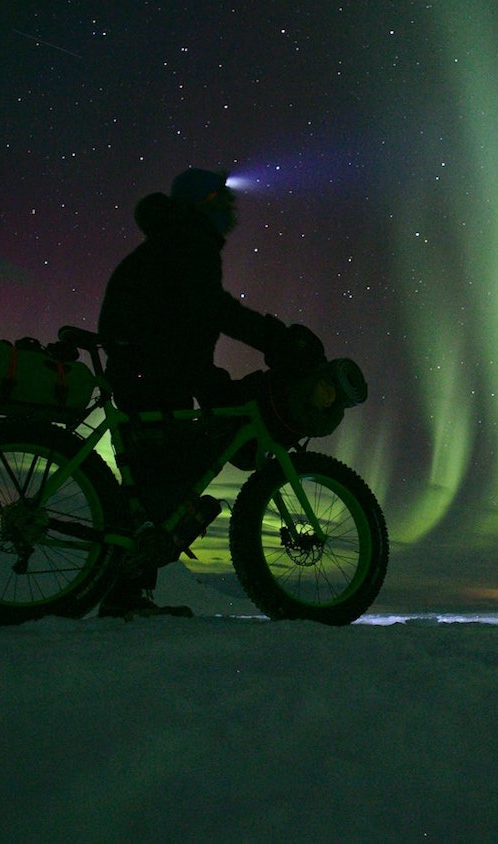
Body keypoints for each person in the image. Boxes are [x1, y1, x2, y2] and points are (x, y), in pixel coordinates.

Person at [96, 167, 326, 618]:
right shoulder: (190, 240)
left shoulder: (172, 241)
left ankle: (127, 592)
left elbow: (186, 320)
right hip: (154, 369)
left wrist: (207, 379)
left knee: (155, 481)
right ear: (203, 204)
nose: (231, 209)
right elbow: (210, 309)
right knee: (177, 466)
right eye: (223, 200)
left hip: (147, 366)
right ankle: (130, 582)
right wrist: (274, 339)